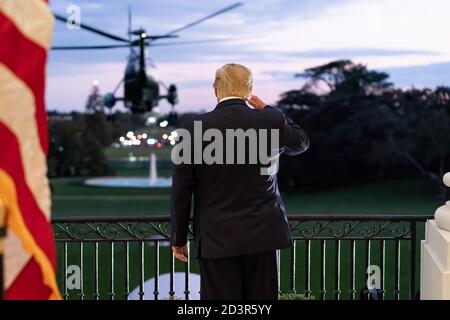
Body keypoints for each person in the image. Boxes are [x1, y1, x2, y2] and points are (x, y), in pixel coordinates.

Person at [170, 63, 309, 300]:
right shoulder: (270, 120)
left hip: (216, 237)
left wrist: (179, 238)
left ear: (216, 89)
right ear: (249, 91)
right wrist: (271, 110)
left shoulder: (192, 128)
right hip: (264, 235)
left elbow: (182, 191)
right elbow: (301, 143)